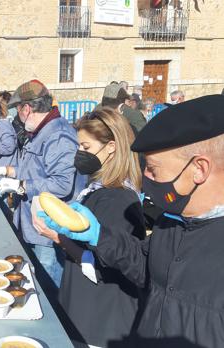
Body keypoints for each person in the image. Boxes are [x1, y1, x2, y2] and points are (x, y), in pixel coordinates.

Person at [40, 95, 224, 348]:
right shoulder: (170, 224)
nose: (145, 179)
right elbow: (143, 267)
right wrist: (97, 235)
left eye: (154, 170)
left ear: (199, 170)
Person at [33, 108, 145, 347]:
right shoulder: (99, 189)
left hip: (100, 320)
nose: (79, 153)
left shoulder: (118, 200)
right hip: (86, 310)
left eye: (86, 147)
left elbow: (102, 266)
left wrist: (58, 238)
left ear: (112, 147)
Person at [0, 79, 80, 292]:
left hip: (46, 232)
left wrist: (20, 185)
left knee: (47, 290)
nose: (17, 116)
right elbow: (35, 170)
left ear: (26, 109)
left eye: (18, 110)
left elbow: (62, 184)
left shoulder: (58, 135)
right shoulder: (41, 131)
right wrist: (6, 171)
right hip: (31, 225)